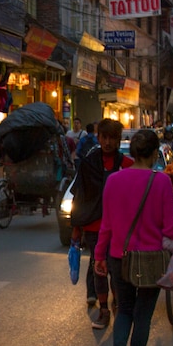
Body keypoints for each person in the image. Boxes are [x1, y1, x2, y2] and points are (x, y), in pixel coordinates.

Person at [95, 129, 173, 346]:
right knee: (143, 315)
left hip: (120, 257)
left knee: (124, 310)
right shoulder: (162, 181)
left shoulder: (114, 181)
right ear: (155, 153)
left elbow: (106, 225)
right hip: (152, 260)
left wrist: (99, 255)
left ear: (132, 152)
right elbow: (171, 228)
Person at [70, 119, 132, 329]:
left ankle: (117, 306)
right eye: (104, 137)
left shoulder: (126, 165)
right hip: (94, 228)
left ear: (117, 140)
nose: (107, 142)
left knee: (117, 270)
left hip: (118, 229)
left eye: (112, 138)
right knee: (99, 269)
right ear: (98, 138)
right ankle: (104, 309)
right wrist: (76, 230)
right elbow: (80, 198)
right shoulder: (89, 164)